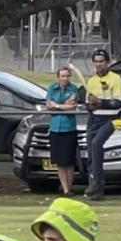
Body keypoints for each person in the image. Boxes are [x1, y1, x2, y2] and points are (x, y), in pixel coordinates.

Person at [84, 49, 121, 201]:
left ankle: (97, 181)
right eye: (96, 62)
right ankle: (96, 191)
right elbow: (88, 105)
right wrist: (91, 105)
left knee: (96, 144)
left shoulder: (116, 79)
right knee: (90, 151)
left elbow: (118, 103)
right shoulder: (92, 81)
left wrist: (100, 102)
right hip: (94, 119)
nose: (99, 64)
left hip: (112, 119)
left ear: (107, 62)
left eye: (101, 61)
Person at [45, 67, 79, 195]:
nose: (65, 78)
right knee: (59, 162)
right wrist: (60, 106)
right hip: (55, 128)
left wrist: (57, 105)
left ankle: (69, 188)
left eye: (67, 76)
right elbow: (48, 105)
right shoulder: (52, 88)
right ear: (58, 77)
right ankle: (64, 188)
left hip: (68, 128)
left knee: (69, 161)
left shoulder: (73, 89)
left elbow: (72, 106)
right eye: (62, 76)